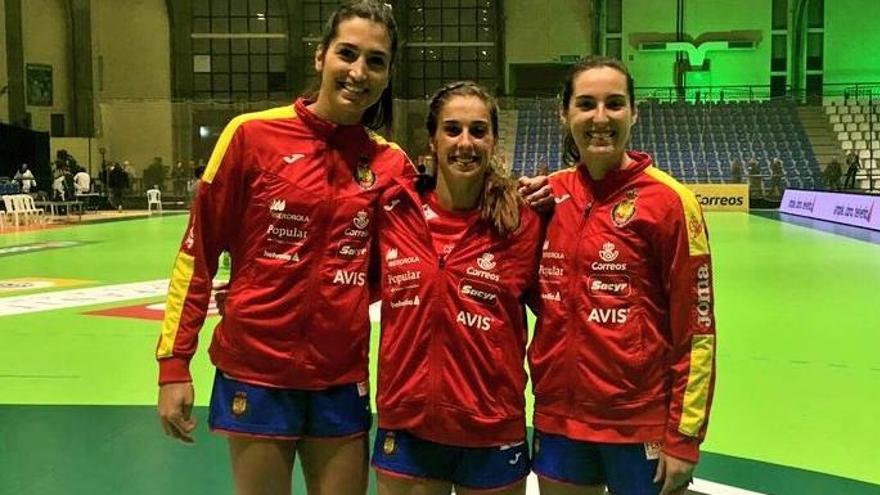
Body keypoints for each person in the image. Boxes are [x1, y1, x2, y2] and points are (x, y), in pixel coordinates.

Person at [155, 3, 411, 494]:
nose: (358, 72)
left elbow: (404, 261)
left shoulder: (390, 163)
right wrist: (174, 364)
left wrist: (344, 299)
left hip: (340, 378)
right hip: (256, 370)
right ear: (320, 57)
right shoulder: (251, 135)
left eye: (375, 61)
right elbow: (198, 252)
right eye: (347, 53)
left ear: (387, 74)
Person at [528, 56, 716, 495]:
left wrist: (684, 437)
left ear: (634, 112)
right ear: (565, 113)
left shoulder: (670, 203)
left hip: (638, 424)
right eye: (585, 104)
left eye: (614, 104)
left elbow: (698, 328)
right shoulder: (547, 197)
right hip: (559, 418)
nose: (600, 118)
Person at [371, 81, 542, 495]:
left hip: (491, 432)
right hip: (408, 429)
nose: (465, 143)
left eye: (478, 131)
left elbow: (567, 311)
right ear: (432, 139)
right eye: (452, 130)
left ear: (494, 140)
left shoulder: (524, 222)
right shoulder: (393, 211)